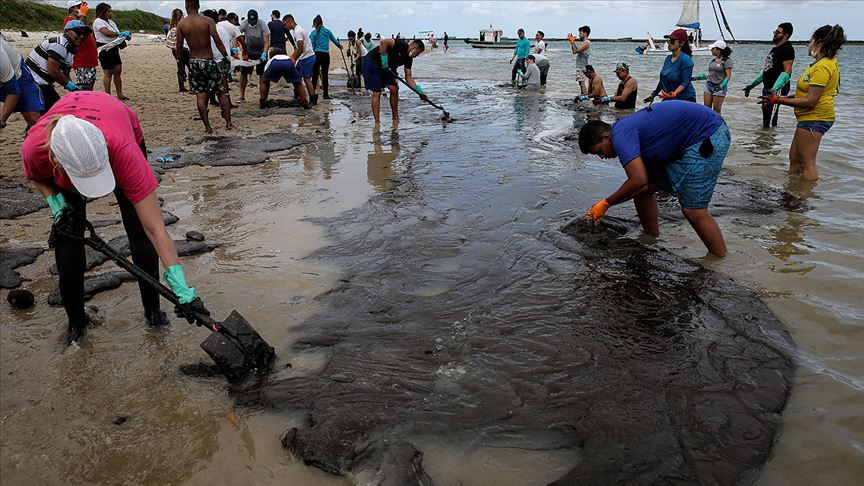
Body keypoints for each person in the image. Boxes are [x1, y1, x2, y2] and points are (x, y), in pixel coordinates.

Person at [20, 91, 212, 345]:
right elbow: (36, 176)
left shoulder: (124, 151)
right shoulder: (35, 149)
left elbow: (155, 229)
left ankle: (153, 313)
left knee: (138, 229)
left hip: (115, 120)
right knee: (69, 236)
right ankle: (76, 324)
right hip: (69, 152)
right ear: (55, 160)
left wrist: (182, 288)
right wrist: (57, 203)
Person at [578, 100, 731, 256]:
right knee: (641, 193)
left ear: (606, 136)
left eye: (599, 151)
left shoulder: (620, 135)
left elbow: (638, 180)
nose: (602, 156)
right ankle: (650, 239)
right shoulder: (623, 131)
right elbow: (641, 186)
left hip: (707, 133)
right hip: (685, 141)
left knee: (693, 210)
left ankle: (719, 260)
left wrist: (606, 203)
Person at [761, 25, 846, 181]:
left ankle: (805, 197)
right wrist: (783, 99)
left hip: (816, 118)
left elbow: (811, 101)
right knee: (794, 159)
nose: (808, 43)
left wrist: (779, 100)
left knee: (806, 163)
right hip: (808, 118)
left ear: (819, 43)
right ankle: (793, 192)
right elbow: (805, 93)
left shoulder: (823, 67)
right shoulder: (819, 64)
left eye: (810, 40)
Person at [175, 0, 232, 134]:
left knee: (200, 96)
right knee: (220, 92)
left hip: (194, 62)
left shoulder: (182, 24)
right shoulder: (207, 21)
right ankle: (228, 123)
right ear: (198, 6)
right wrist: (225, 56)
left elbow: (179, 47)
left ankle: (207, 127)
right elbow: (217, 40)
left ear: (186, 6)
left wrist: (180, 63)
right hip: (209, 61)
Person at [25, 20, 90, 112]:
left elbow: (65, 73)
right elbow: (53, 71)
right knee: (55, 112)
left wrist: (75, 89)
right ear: (66, 31)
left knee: (44, 116)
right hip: (33, 82)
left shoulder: (71, 48)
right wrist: (70, 86)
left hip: (41, 83)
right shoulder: (60, 45)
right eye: (78, 32)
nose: (82, 36)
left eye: (85, 34)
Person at [362, 37, 425, 124]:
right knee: (377, 92)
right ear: (413, 48)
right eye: (417, 53)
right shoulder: (401, 44)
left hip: (384, 68)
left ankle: (395, 118)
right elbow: (383, 42)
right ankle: (377, 122)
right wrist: (384, 59)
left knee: (395, 88)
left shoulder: (409, 59)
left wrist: (419, 91)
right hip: (372, 62)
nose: (416, 56)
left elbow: (408, 78)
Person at [743, 22, 795, 128]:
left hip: (777, 88)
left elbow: (787, 71)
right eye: (775, 31)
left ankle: (769, 140)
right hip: (768, 87)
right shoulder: (775, 49)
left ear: (786, 36)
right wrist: (751, 86)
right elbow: (767, 72)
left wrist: (774, 89)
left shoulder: (787, 48)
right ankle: (764, 141)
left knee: (771, 120)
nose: (775, 33)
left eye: (778, 32)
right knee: (766, 118)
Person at [0, 33, 44, 129]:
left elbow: (13, 92)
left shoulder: (1, 59)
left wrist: (2, 120)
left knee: (34, 118)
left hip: (17, 74)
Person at [93, 3, 130, 100]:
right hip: (104, 48)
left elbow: (115, 34)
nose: (111, 13)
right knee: (108, 72)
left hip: (113, 47)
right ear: (102, 13)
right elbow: (106, 32)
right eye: (109, 11)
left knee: (118, 70)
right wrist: (119, 34)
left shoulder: (111, 22)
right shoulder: (98, 21)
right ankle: (108, 95)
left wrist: (122, 37)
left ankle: (119, 94)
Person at [646, 28, 695, 103]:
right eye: (668, 41)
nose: (669, 43)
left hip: (685, 98)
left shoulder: (686, 60)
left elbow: (686, 82)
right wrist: (654, 94)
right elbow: (663, 79)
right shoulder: (668, 58)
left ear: (681, 43)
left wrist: (675, 93)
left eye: (672, 41)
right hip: (669, 97)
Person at [283, 14, 317, 106]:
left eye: (285, 24)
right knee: (296, 77)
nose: (285, 27)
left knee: (307, 79)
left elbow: (300, 48)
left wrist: (292, 58)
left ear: (290, 21)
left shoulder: (298, 31)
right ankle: (298, 96)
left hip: (307, 57)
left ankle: (313, 99)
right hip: (303, 58)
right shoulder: (296, 30)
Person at [64, 1, 98, 91]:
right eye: (79, 6)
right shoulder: (69, 21)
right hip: (82, 59)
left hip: (89, 58)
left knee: (91, 83)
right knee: (84, 85)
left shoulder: (78, 20)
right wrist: (83, 15)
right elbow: (79, 28)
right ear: (72, 9)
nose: (81, 8)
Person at [238, 9, 269, 103]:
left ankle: (262, 97)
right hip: (249, 51)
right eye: (251, 21)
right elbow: (236, 35)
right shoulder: (244, 23)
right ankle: (242, 96)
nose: (252, 23)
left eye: (254, 21)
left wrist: (264, 53)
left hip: (260, 51)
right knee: (243, 74)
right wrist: (238, 49)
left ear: (257, 18)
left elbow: (267, 41)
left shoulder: (262, 24)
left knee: (262, 75)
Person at [310, 15, 343, 101]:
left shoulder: (313, 33)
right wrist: (340, 46)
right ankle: (326, 94)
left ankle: (312, 94)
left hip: (316, 54)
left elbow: (311, 44)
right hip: (325, 55)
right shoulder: (327, 31)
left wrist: (313, 52)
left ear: (315, 24)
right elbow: (334, 41)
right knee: (325, 75)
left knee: (314, 75)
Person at [703, 40, 733, 113]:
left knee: (716, 111)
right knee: (706, 110)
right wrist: (698, 77)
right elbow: (711, 74)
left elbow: (728, 75)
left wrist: (721, 86)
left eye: (713, 49)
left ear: (718, 49)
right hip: (708, 85)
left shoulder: (727, 61)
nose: (711, 50)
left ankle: (719, 124)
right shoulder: (713, 60)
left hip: (719, 88)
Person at [165, 8, 189, 92]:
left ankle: (181, 86)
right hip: (183, 49)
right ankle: (192, 86)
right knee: (190, 67)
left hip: (174, 50)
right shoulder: (181, 26)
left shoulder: (171, 27)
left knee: (180, 67)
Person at [568, 26, 591, 94]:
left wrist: (572, 41)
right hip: (581, 66)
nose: (579, 35)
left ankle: (584, 98)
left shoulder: (586, 43)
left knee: (582, 84)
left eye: (580, 33)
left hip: (582, 67)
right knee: (581, 84)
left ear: (585, 33)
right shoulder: (585, 43)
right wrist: (572, 41)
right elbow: (574, 51)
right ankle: (583, 97)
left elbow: (575, 51)